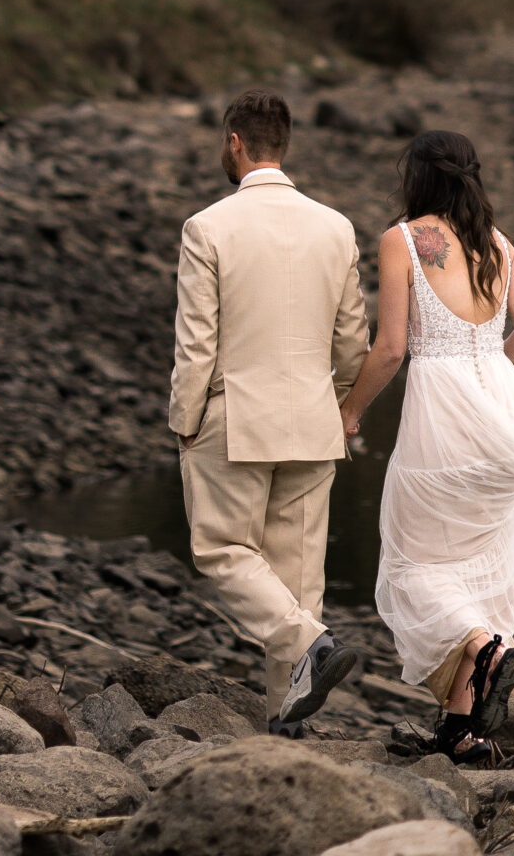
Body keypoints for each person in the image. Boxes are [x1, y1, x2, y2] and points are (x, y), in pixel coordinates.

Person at [341, 128, 514, 763]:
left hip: (441, 419)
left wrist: (348, 410)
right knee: (481, 567)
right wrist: (490, 366)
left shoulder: (404, 240)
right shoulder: (500, 246)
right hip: (504, 420)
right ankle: (464, 731)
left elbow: (391, 349)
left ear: (419, 177)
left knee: (415, 564)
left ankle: (488, 649)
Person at [169, 87, 371, 733]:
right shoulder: (335, 227)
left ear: (234, 143)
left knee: (224, 550)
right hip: (314, 420)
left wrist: (183, 420)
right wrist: (335, 397)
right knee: (297, 573)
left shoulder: (207, 227)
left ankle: (310, 647)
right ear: (284, 145)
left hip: (237, 419)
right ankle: (287, 718)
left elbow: (196, 343)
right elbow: (353, 344)